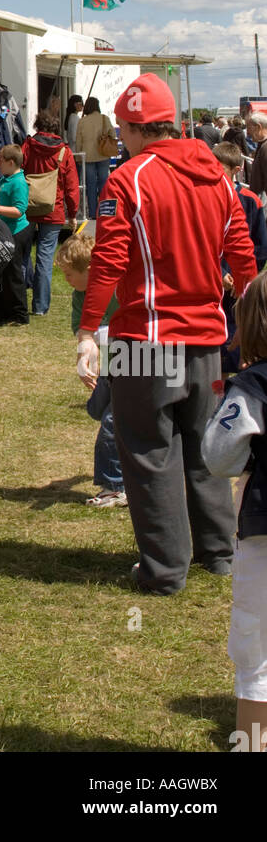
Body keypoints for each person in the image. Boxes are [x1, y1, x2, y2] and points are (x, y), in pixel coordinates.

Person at [77, 72, 258, 595]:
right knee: (205, 448)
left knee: (148, 451)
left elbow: (109, 258)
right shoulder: (218, 176)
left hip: (146, 342)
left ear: (135, 127)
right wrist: (250, 318)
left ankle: (163, 570)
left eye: (122, 128)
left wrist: (89, 330)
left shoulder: (127, 179)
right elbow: (242, 253)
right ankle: (218, 551)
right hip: (207, 339)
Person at [203, 272, 267, 752]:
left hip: (264, 530)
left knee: (257, 650)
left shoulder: (253, 384)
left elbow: (219, 455)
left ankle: (251, 744)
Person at [58, 234, 125, 507]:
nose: (66, 280)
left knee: (112, 424)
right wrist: (85, 357)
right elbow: (81, 331)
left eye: (70, 274)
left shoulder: (120, 288)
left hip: (130, 362)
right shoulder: (79, 296)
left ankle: (116, 487)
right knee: (97, 410)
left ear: (90, 270)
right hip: (107, 367)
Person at [213, 141, 267, 374]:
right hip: (214, 282)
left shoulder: (250, 200)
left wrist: (243, 276)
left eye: (220, 169)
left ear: (236, 171)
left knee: (240, 339)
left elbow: (260, 245)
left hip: (241, 287)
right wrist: (221, 272)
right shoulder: (208, 197)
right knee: (217, 345)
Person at [22, 110, 79, 316]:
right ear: (56, 128)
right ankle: (40, 307)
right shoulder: (64, 152)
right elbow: (72, 187)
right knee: (45, 259)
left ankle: (19, 303)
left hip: (26, 208)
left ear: (38, 126)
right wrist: (72, 214)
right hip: (53, 210)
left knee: (22, 255)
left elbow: (18, 173)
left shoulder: (27, 146)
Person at [0, 144, 30, 326]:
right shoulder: (6, 179)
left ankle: (20, 314)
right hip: (5, 232)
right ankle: (4, 312)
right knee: (4, 274)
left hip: (16, 232)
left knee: (14, 274)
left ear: (11, 162)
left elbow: (19, 210)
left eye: (0, 160)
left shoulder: (18, 182)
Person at [75, 97, 116, 219]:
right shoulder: (105, 118)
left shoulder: (82, 121)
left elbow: (78, 141)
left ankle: (93, 213)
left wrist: (78, 158)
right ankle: (104, 211)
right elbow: (113, 134)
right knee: (103, 183)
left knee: (90, 185)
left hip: (87, 157)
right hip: (103, 154)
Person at [247, 111, 267, 201]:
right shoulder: (262, 145)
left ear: (258, 127)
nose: (247, 132)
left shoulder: (265, 147)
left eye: (249, 128)